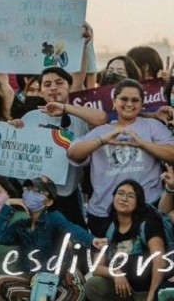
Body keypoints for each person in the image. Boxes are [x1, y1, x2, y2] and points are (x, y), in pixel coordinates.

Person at [67, 79, 174, 236]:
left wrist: (143, 144)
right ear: (113, 102)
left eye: (135, 100)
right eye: (124, 99)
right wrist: (102, 141)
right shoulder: (100, 131)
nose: (129, 104)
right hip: (104, 212)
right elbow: (73, 154)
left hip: (146, 209)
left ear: (142, 104)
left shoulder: (152, 126)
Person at [10, 67, 108, 228]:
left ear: (69, 86)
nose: (53, 87)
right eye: (47, 84)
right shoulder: (30, 117)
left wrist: (64, 108)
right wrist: (13, 128)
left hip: (67, 195)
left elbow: (101, 119)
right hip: (37, 195)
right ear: (40, 91)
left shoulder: (79, 117)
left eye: (59, 82)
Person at [0, 176, 107, 300]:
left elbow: (71, 228)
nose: (30, 194)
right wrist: (8, 204)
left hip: (55, 279)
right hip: (30, 279)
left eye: (37, 192)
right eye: (28, 190)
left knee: (75, 290)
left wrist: (91, 240)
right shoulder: (21, 225)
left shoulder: (53, 218)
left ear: (49, 202)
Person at [84, 180, 166, 301]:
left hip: (145, 291)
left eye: (131, 196)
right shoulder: (108, 227)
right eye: (120, 193)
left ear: (138, 202)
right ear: (113, 197)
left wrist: (151, 297)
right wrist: (115, 273)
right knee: (93, 285)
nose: (124, 198)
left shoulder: (148, 224)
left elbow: (160, 262)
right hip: (121, 290)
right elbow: (96, 267)